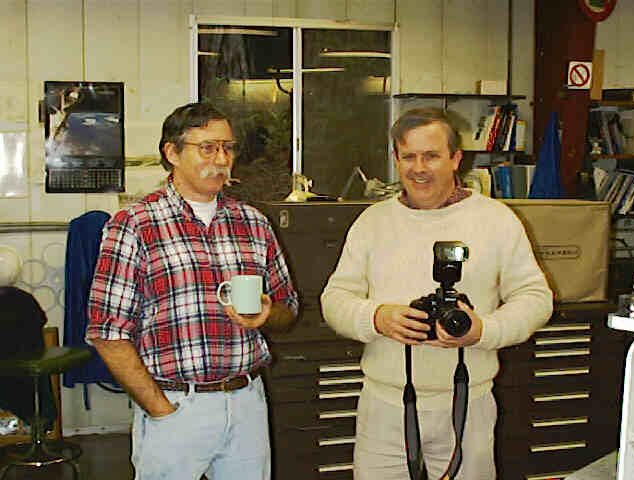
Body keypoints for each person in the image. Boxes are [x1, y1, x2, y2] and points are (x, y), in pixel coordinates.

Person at [320, 108, 553, 479]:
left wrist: (483, 331)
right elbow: (334, 300)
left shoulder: (496, 220)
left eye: (431, 156)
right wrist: (376, 318)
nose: (419, 168)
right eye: (408, 157)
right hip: (384, 406)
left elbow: (536, 299)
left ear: (456, 159)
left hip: (468, 402)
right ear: (396, 159)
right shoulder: (372, 222)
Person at [86, 102, 298, 480]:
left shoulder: (253, 223)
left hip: (246, 403)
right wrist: (159, 409)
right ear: (172, 153)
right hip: (176, 406)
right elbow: (107, 332)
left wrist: (269, 313)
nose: (221, 159)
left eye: (228, 148)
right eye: (207, 148)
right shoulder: (135, 225)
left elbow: (288, 308)